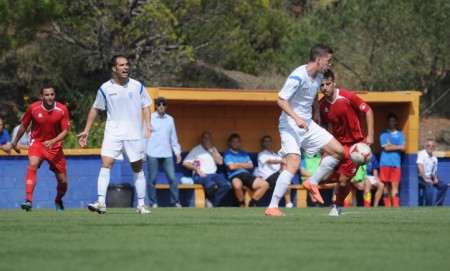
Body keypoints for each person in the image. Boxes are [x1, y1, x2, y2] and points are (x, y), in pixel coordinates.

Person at [265, 44, 344, 217]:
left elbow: (314, 93)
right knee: (293, 164)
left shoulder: (320, 75)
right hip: (290, 124)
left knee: (339, 151)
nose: (330, 64)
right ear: (319, 60)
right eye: (328, 61)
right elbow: (281, 100)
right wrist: (297, 117)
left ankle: (312, 182)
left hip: (307, 124)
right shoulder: (298, 75)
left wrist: (315, 111)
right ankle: (272, 207)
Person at [77, 54, 152, 214]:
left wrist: (148, 126)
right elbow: (95, 108)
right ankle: (101, 202)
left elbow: (146, 105)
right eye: (122, 65)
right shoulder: (105, 88)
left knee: (137, 168)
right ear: (114, 68)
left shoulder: (137, 86)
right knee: (106, 164)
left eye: (127, 64)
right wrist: (86, 130)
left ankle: (141, 205)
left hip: (134, 135)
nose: (126, 67)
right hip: (113, 134)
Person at [317, 69, 374, 216]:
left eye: (328, 84)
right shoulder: (322, 104)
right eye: (322, 85)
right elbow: (324, 126)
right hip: (336, 145)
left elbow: (368, 110)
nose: (325, 87)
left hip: (356, 146)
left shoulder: (347, 97)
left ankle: (337, 206)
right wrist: (318, 142)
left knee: (343, 181)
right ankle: (341, 183)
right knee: (322, 177)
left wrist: (370, 135)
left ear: (334, 83)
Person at [11, 84, 70, 211]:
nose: (50, 97)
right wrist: (15, 142)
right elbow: (24, 125)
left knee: (63, 181)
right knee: (33, 163)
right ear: (41, 96)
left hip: (55, 147)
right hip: (37, 143)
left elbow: (66, 131)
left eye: (52, 94)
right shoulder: (33, 108)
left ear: (55, 95)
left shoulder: (62, 109)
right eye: (47, 95)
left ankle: (58, 200)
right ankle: (28, 200)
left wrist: (53, 141)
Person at [145, 96, 182, 208]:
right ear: (155, 105)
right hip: (152, 152)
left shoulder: (170, 119)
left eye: (164, 104)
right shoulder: (149, 118)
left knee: (172, 178)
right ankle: (153, 203)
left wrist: (178, 152)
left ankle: (175, 202)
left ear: (166, 106)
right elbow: (144, 135)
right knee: (151, 179)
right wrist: (142, 153)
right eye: (159, 104)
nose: (161, 106)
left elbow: (173, 137)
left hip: (167, 153)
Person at [182, 132, 231, 207]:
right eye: (205, 138)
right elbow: (185, 163)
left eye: (208, 138)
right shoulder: (196, 149)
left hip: (213, 174)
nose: (207, 140)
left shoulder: (213, 149)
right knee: (210, 185)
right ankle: (212, 202)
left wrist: (210, 150)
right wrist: (196, 169)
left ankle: (211, 201)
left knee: (227, 184)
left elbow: (220, 162)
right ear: (201, 139)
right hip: (200, 175)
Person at [224, 133, 269, 207]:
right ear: (230, 143)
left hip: (246, 174)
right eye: (234, 142)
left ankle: (252, 203)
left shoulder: (243, 153)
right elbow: (231, 167)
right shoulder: (227, 153)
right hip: (234, 175)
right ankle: (242, 203)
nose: (236, 143)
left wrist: (237, 164)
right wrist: (243, 165)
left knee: (265, 184)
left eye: (237, 142)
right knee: (237, 186)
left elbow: (250, 166)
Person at [254, 135, 293, 208]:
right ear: (262, 144)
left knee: (285, 179)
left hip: (277, 176)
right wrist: (281, 161)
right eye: (266, 141)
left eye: (269, 141)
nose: (268, 143)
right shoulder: (262, 154)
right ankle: (288, 203)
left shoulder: (276, 155)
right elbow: (270, 161)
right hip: (267, 177)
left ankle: (288, 204)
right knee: (285, 180)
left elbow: (282, 164)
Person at [379, 113, 405, 207]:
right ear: (387, 122)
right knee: (385, 186)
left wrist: (391, 145)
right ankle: (387, 206)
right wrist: (397, 146)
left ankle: (395, 206)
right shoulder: (383, 134)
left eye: (393, 121)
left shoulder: (400, 134)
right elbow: (386, 148)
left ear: (396, 122)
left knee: (395, 186)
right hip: (384, 163)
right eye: (390, 121)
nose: (391, 123)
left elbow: (403, 148)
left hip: (396, 164)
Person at [417, 139, 448, 206]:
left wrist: (435, 178)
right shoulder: (422, 154)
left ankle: (438, 205)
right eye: (428, 145)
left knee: (444, 185)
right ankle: (429, 206)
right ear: (425, 146)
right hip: (420, 178)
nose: (430, 147)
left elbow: (435, 170)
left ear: (434, 147)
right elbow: (420, 166)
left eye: (432, 146)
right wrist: (425, 178)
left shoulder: (434, 158)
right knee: (429, 184)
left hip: (430, 177)